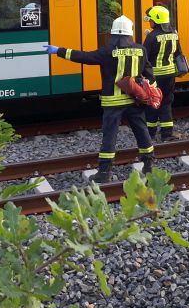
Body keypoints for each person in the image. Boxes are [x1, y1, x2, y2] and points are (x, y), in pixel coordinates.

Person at [44, 15, 154, 183]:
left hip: (113, 102)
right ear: (129, 32)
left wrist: (59, 50)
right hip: (135, 100)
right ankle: (148, 166)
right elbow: (148, 73)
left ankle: (104, 172)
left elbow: (84, 57)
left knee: (110, 135)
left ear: (113, 33)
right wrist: (151, 90)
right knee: (141, 130)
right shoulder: (141, 49)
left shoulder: (107, 51)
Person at [142, 5, 184, 142]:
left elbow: (145, 57)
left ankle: (150, 134)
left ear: (157, 20)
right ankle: (167, 133)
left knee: (152, 103)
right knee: (166, 102)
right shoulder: (174, 34)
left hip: (154, 76)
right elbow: (178, 53)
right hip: (170, 75)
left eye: (151, 20)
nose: (150, 22)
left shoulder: (151, 37)